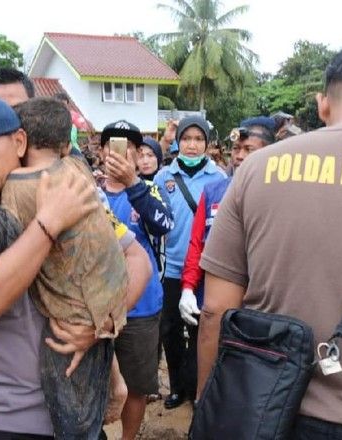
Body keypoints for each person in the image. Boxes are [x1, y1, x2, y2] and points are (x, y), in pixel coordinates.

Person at [198, 41, 342, 438]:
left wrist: (210, 403)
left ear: (323, 103)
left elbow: (215, 311)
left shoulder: (255, 170)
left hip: (267, 412)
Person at [0, 93, 151, 439]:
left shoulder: (65, 188)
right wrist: (48, 223)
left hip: (79, 408)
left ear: (19, 142)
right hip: (3, 419)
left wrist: (101, 323)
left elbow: (137, 261)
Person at [99, 121, 174, 439]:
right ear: (102, 152)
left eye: (131, 147)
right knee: (93, 381)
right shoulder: (87, 189)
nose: (122, 153)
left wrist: (133, 184)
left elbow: (164, 225)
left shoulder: (149, 190)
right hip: (95, 307)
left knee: (137, 384)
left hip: (141, 306)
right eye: (114, 146)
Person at [153, 115, 226, 410]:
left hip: (205, 271)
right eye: (186, 139)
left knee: (200, 332)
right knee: (169, 330)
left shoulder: (219, 178)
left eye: (198, 139)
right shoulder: (163, 177)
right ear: (178, 141)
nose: (192, 145)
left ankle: (196, 385)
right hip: (172, 267)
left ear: (207, 144)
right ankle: (176, 387)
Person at [179, 117, 276, 327]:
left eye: (249, 149)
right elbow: (197, 244)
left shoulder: (281, 196)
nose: (240, 156)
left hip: (261, 305)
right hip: (214, 300)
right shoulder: (214, 191)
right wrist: (188, 288)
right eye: (236, 148)